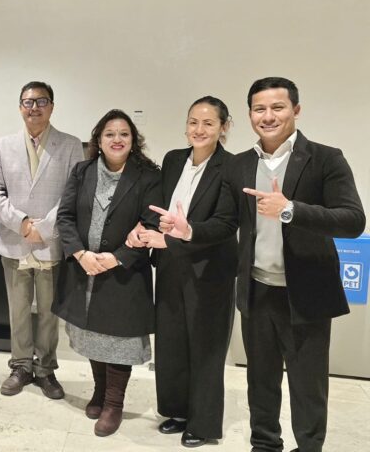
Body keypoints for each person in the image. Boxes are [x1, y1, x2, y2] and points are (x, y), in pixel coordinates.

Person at [153, 77, 365, 452]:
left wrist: (291, 210)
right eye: (259, 109)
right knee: (260, 383)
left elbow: (352, 220)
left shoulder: (325, 158)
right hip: (256, 290)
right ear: (250, 114)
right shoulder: (240, 165)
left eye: (277, 107)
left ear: (296, 110)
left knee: (307, 386)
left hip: (306, 294)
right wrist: (189, 231)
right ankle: (264, 445)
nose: (268, 116)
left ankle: (310, 448)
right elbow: (225, 223)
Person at [130, 97, 237, 447]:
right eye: (193, 122)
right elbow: (159, 206)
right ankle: (176, 411)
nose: (199, 129)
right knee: (172, 342)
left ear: (224, 127)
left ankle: (203, 424)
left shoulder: (232, 167)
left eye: (208, 123)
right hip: (171, 265)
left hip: (210, 271)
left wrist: (182, 233)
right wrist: (145, 228)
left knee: (206, 348)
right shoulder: (174, 159)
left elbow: (225, 223)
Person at [53, 109, 160, 437]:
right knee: (92, 336)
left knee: (118, 340)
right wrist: (80, 254)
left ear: (133, 140)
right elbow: (65, 217)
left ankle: (114, 403)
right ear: (98, 140)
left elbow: (151, 225)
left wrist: (116, 258)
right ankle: (99, 392)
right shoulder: (82, 171)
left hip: (125, 273)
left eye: (124, 134)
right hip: (85, 270)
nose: (117, 139)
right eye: (109, 134)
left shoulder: (148, 177)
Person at [0, 80, 84, 400]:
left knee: (48, 313)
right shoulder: (4, 145)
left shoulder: (70, 145)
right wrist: (22, 223)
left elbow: (73, 192)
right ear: (20, 108)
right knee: (17, 310)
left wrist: (46, 227)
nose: (34, 108)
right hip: (15, 240)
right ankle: (21, 366)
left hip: (50, 242)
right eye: (28, 102)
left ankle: (45, 369)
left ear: (51, 107)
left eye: (41, 102)